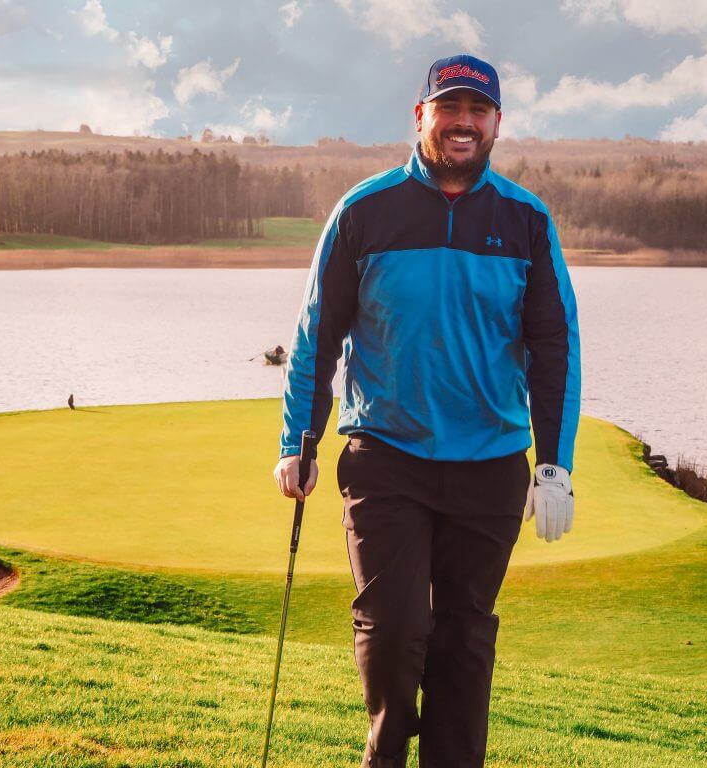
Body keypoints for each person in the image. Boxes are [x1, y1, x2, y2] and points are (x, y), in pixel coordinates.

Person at [273, 53, 581, 768]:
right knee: (395, 631)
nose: (463, 124)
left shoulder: (526, 221)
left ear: (497, 123)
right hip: (387, 458)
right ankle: (385, 753)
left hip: (490, 466)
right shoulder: (364, 211)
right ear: (421, 118)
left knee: (463, 639)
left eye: (478, 111)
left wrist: (555, 465)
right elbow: (317, 335)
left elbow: (554, 347)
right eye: (449, 109)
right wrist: (299, 439)